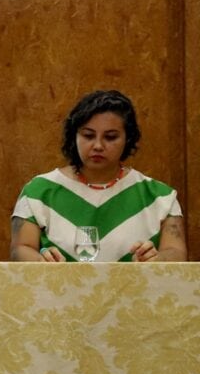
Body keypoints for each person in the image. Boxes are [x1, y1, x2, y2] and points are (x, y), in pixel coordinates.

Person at [11, 90, 186, 262]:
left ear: (128, 139)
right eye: (88, 135)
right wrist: (39, 260)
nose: (98, 145)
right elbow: (20, 249)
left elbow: (176, 253)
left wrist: (157, 259)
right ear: (74, 137)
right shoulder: (38, 191)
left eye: (110, 137)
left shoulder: (160, 197)